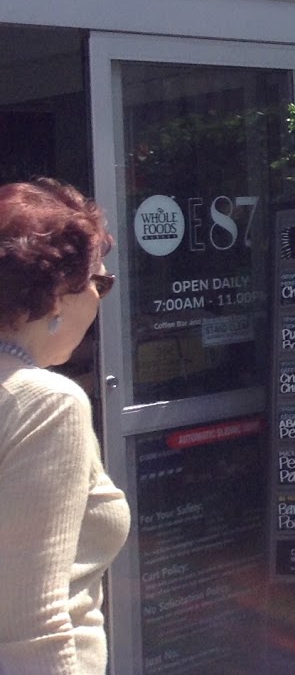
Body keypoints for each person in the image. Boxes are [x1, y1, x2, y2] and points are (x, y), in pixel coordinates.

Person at [0, 179, 130, 675]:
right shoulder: (45, 404)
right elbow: (30, 627)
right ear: (58, 295)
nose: (102, 297)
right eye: (101, 282)